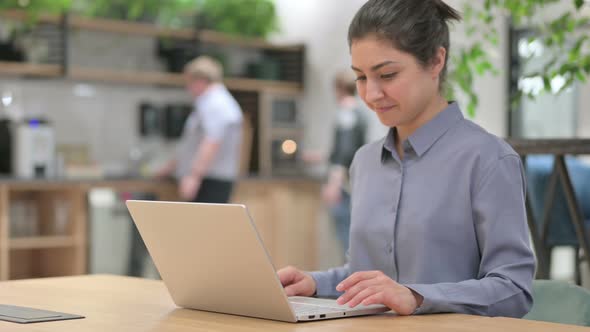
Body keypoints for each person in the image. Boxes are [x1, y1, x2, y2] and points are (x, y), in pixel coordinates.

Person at [278, 0, 535, 318]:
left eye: (387, 74)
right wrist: (313, 283)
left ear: (436, 60)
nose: (371, 94)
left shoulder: (489, 160)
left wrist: (417, 296)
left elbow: (514, 288)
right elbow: (368, 278)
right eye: (360, 77)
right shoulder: (365, 162)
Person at [157, 56, 243, 203]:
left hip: (211, 180)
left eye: (189, 82)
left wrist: (194, 176)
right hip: (207, 179)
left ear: (200, 80)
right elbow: (192, 143)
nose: (187, 88)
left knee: (206, 225)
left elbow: (212, 142)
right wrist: (171, 167)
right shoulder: (209, 103)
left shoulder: (217, 104)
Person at [322, 70, 367, 252]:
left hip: (345, 185)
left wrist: (334, 184)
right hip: (355, 181)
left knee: (346, 240)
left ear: (339, 89)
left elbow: (345, 151)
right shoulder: (359, 111)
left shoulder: (346, 112)